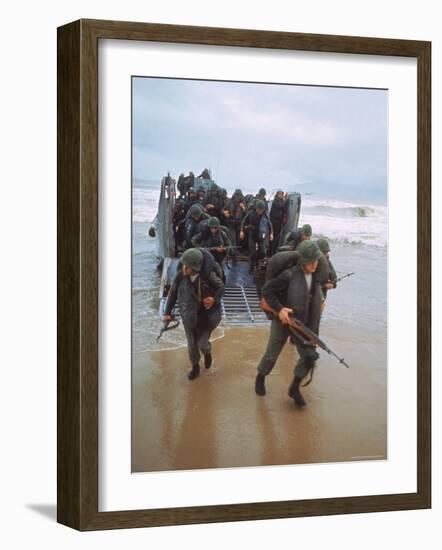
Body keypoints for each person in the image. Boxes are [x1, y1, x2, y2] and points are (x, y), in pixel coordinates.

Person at [255, 240, 323, 407]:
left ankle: (294, 387)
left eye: (316, 260)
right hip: (283, 321)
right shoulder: (289, 275)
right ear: (302, 261)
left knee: (309, 356)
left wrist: (314, 332)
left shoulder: (315, 277)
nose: (314, 264)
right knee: (272, 353)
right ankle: (260, 377)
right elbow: (267, 290)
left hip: (302, 323)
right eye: (310, 261)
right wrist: (280, 310)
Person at [163, 248, 224, 380]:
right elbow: (172, 294)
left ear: (195, 268)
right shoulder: (180, 276)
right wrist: (167, 312)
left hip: (205, 317)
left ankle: (207, 353)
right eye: (184, 264)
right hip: (188, 315)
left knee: (202, 344)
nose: (184, 268)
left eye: (188, 266)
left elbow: (221, 287)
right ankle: (195, 367)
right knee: (191, 345)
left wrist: (214, 299)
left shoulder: (208, 277)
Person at [240, 200, 273, 273]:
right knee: (253, 252)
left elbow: (270, 224)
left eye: (261, 209)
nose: (259, 211)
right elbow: (243, 221)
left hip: (261, 235)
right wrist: (242, 231)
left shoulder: (265, 215)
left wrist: (271, 233)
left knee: (263, 252)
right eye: (258, 209)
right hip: (252, 234)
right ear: (256, 208)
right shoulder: (250, 213)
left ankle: (258, 260)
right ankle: (252, 265)